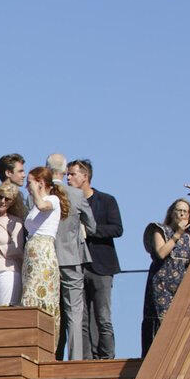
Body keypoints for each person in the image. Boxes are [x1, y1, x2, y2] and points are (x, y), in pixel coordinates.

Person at [68, 160, 122, 360]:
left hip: (101, 266)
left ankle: (107, 359)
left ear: (85, 177)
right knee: (80, 319)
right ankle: (85, 360)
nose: (69, 178)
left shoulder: (107, 201)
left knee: (103, 316)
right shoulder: (68, 202)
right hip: (77, 266)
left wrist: (90, 230)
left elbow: (117, 228)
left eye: (73, 174)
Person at [46, 154, 95, 360]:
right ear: (65, 171)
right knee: (75, 310)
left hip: (47, 258)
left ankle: (49, 355)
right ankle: (75, 358)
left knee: (48, 309)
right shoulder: (76, 195)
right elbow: (92, 226)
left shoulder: (39, 193)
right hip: (71, 258)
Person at [141, 199, 190, 353]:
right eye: (178, 210)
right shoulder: (160, 230)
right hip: (161, 285)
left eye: (185, 211)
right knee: (162, 322)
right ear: (172, 212)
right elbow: (161, 253)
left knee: (180, 323)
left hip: (182, 286)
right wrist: (177, 234)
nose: (181, 213)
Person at [20, 167, 66, 331]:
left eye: (29, 183)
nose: (27, 188)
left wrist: (36, 190)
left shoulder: (52, 199)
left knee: (39, 293)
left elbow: (42, 205)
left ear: (40, 183)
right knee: (29, 291)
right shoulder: (35, 204)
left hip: (43, 252)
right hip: (32, 253)